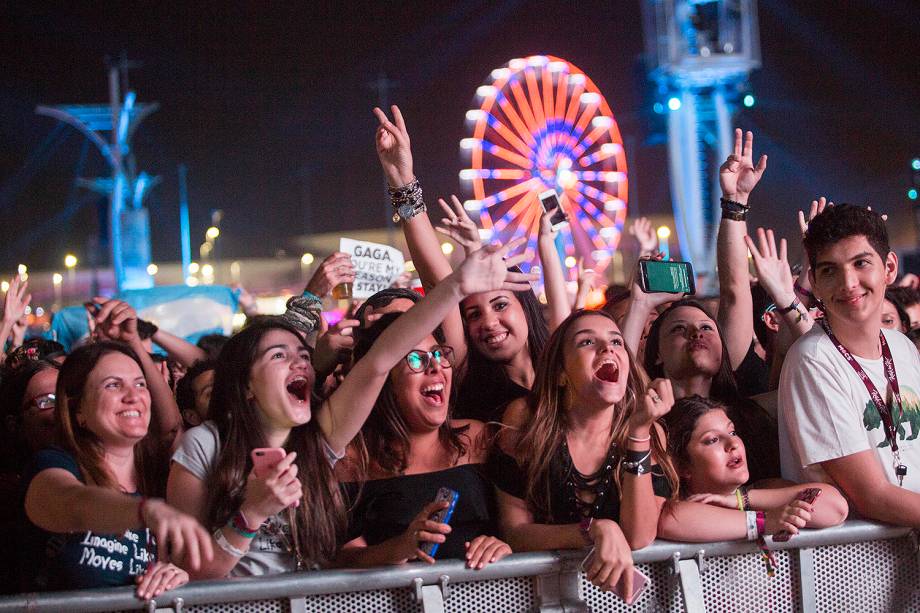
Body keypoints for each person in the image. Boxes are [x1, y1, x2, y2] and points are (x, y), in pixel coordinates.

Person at [166, 240, 534, 577]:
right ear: (246, 384)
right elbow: (188, 572)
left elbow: (379, 361)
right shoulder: (204, 445)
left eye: (303, 356)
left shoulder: (318, 439)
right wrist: (252, 514)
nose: (301, 365)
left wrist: (456, 286)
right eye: (280, 356)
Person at [373, 105, 549, 422]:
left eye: (499, 305)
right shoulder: (466, 372)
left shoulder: (564, 369)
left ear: (526, 304)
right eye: (473, 314)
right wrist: (401, 179)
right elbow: (440, 283)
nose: (489, 323)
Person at [493, 309, 678, 597]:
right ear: (561, 375)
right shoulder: (525, 420)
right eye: (587, 342)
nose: (608, 348)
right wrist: (594, 529)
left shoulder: (650, 432)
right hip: (537, 596)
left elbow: (639, 536)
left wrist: (638, 433)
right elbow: (515, 532)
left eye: (617, 342)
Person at [19, 341, 212, 598]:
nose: (133, 396)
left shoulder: (160, 474)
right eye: (113, 385)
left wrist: (178, 577)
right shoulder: (53, 464)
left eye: (140, 384)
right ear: (79, 411)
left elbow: (171, 429)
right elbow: (72, 503)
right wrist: (143, 511)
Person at [779, 204, 920, 526]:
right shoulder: (813, 359)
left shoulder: (901, 346)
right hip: (857, 561)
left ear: (889, 267)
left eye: (861, 263)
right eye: (830, 270)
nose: (848, 282)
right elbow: (871, 497)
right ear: (814, 281)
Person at [335, 313, 511, 569]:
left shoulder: (478, 437)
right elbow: (340, 558)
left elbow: (519, 525)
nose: (435, 366)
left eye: (438, 354)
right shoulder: (352, 457)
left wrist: (502, 546)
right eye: (416, 358)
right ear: (382, 380)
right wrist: (398, 548)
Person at [659, 396, 846, 543]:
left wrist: (741, 500)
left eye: (732, 432)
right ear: (682, 466)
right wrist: (765, 521)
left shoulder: (764, 491)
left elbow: (835, 507)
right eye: (712, 440)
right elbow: (668, 519)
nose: (732, 443)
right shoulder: (672, 510)